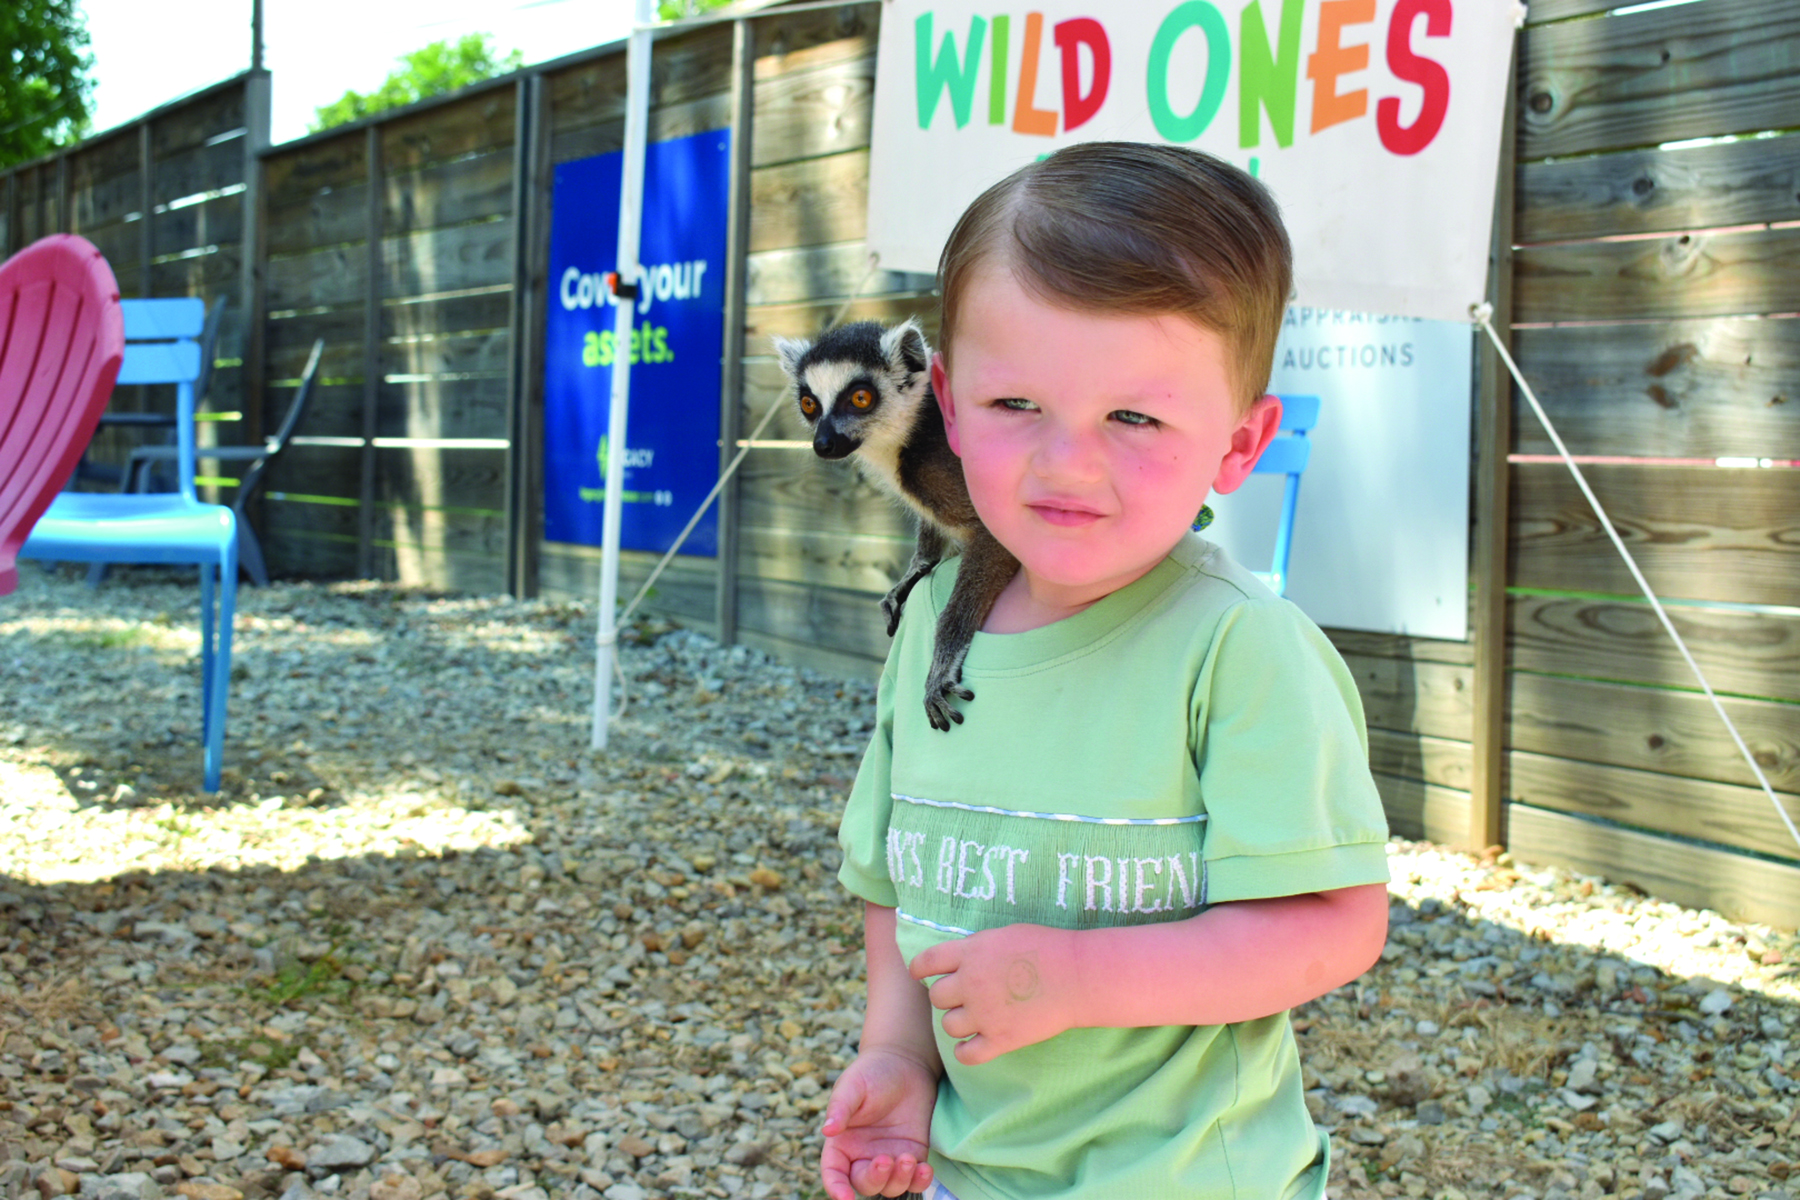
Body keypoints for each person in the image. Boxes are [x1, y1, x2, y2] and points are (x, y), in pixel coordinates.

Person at [817, 141, 1392, 1200]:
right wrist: (899, 1059)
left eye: (1133, 416)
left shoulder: (1238, 649)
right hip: (964, 1165)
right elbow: (897, 886)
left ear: (1237, 444)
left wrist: (1076, 979)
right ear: (946, 399)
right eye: (1015, 406)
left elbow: (1335, 921)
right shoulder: (932, 626)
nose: (1066, 462)